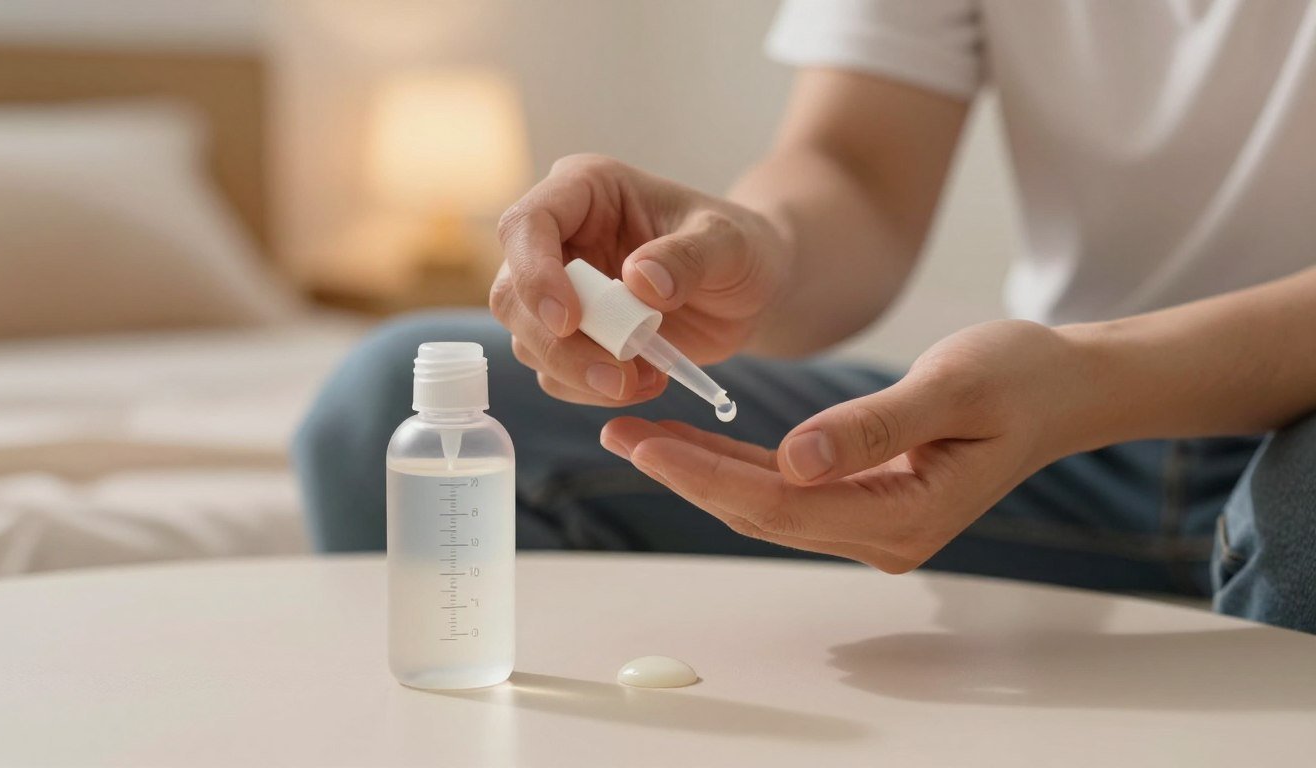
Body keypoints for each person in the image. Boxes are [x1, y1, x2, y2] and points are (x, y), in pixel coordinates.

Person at [295, 0, 1316, 632]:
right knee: (391, 407)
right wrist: (748, 248)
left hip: (1262, 417)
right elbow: (858, 171)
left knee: (1301, 520)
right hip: (1063, 436)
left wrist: (1087, 382)